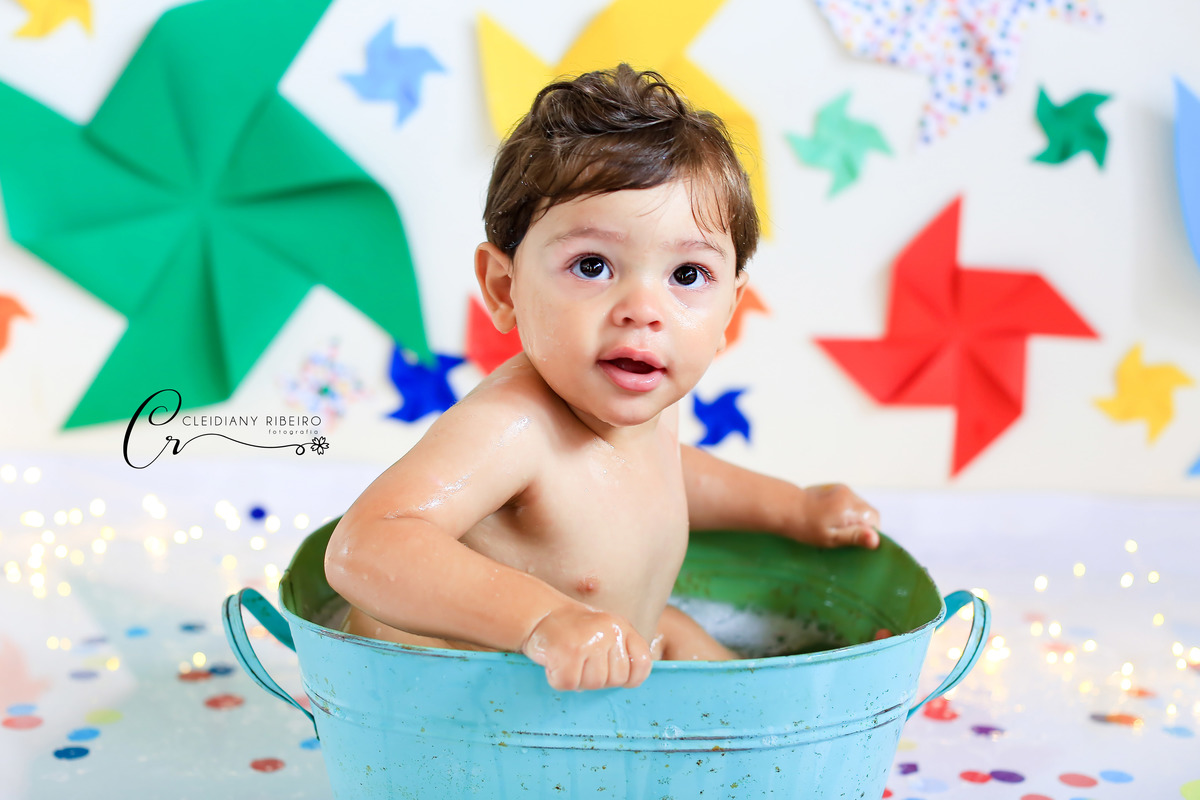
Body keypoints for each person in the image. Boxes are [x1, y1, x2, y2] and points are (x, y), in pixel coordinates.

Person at [325, 64, 879, 693]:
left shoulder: (648, 407)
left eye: (688, 276)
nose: (642, 310)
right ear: (505, 289)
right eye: (592, 265)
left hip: (612, 651)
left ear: (730, 307)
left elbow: (669, 476)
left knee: (735, 681)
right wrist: (544, 619)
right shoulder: (511, 427)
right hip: (459, 697)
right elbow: (368, 546)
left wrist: (793, 508)